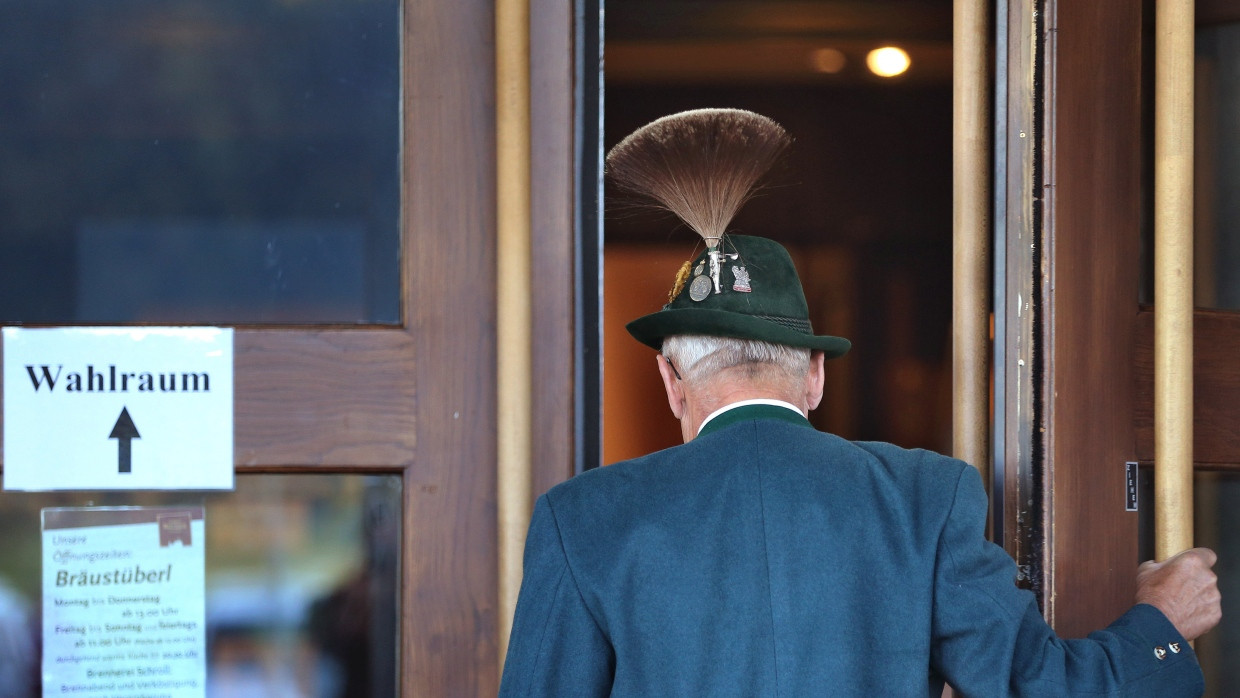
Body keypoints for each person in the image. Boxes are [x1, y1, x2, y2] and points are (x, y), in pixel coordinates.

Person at [498, 109, 1222, 696]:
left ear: (669, 381)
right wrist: (1158, 625)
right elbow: (1039, 688)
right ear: (815, 373)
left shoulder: (581, 519)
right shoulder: (925, 499)